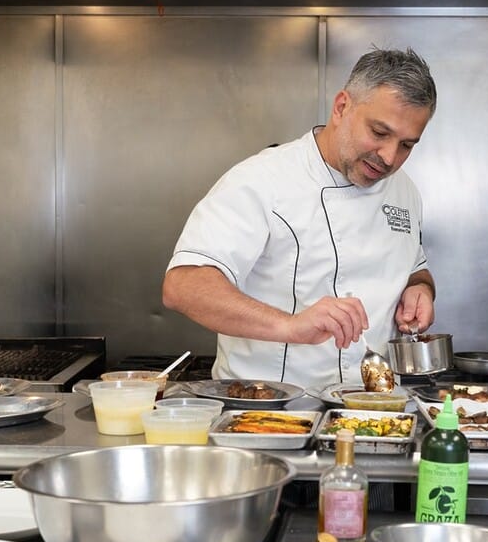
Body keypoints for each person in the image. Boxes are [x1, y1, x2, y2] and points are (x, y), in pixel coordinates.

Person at [162, 47, 438, 388]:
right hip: (269, 405)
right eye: (379, 133)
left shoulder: (404, 190)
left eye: (407, 145)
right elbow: (184, 286)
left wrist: (420, 288)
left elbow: (414, 267)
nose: (389, 157)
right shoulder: (262, 179)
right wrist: (289, 325)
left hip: (370, 403)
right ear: (342, 107)